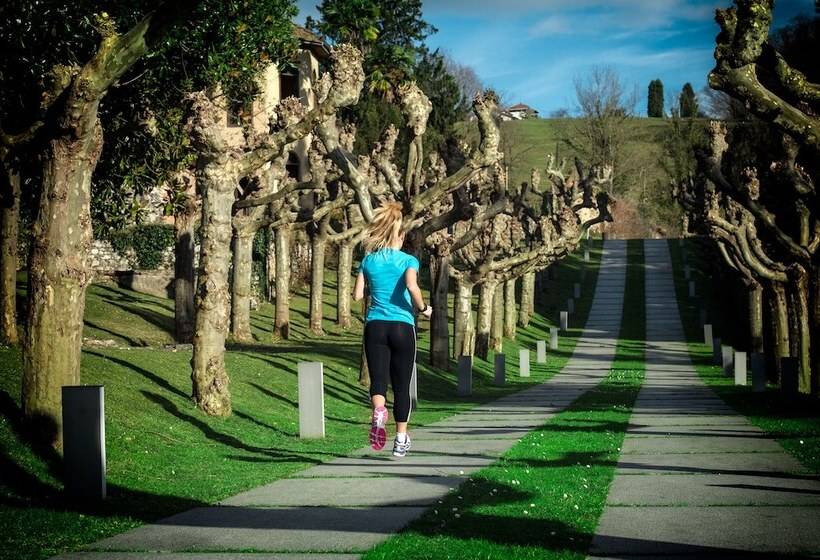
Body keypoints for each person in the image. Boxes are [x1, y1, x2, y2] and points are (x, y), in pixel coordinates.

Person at [353, 202, 432, 457]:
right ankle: (400, 440)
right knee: (401, 386)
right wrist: (424, 309)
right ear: (401, 236)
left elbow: (357, 295)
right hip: (402, 327)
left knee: (378, 380)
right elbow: (411, 286)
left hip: (375, 326)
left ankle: (378, 411)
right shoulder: (408, 260)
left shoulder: (368, 261)